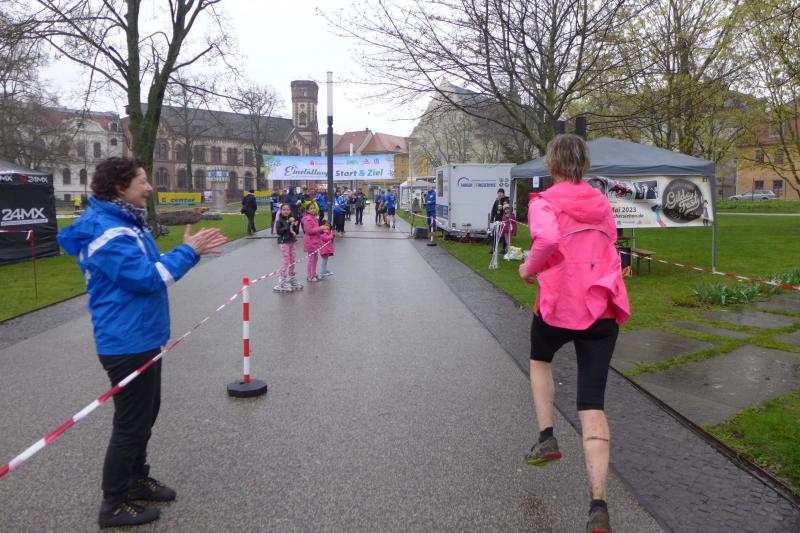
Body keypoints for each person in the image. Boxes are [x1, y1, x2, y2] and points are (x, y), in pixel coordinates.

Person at [57, 157, 227, 528]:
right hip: (126, 341)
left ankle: (135, 479)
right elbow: (147, 279)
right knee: (131, 424)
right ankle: (114, 504)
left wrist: (185, 252)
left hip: (142, 336)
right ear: (121, 188)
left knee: (145, 416)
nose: (149, 188)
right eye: (142, 182)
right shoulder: (109, 231)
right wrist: (189, 253)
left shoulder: (124, 223)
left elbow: (149, 266)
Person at [517, 134, 629, 533]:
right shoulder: (601, 202)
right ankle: (598, 505)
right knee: (592, 404)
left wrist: (528, 269)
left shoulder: (544, 202)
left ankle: (546, 436)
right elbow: (610, 240)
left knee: (539, 361)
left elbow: (547, 239)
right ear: (585, 164)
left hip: (560, 305)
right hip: (601, 305)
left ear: (552, 165)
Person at [273, 203, 303, 292]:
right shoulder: (279, 221)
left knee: (292, 260)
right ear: (281, 211)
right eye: (284, 210)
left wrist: (294, 224)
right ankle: (281, 282)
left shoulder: (291, 219)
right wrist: (288, 223)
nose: (286, 211)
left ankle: (291, 278)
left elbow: (295, 231)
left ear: (290, 211)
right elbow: (279, 231)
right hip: (284, 242)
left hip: (291, 241)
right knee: (286, 260)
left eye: (288, 209)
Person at [301, 203, 323, 282]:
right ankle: (310, 275)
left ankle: (313, 273)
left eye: (314, 208)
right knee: (311, 260)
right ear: (307, 210)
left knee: (315, 259)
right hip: (310, 241)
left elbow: (316, 229)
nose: (313, 210)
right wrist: (320, 228)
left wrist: (322, 230)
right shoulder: (307, 219)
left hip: (315, 241)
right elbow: (309, 231)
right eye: (311, 208)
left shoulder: (315, 218)